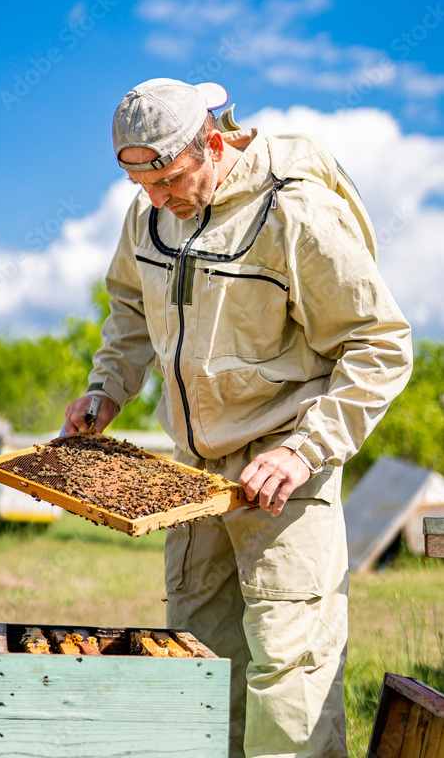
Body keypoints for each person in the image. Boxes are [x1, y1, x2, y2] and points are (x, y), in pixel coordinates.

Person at [64, 77, 412, 758]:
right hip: (192, 482)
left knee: (289, 673)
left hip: (286, 471)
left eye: (168, 177)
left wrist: (304, 449)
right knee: (198, 664)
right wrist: (107, 388)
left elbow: (379, 344)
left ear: (213, 142)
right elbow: (131, 311)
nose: (156, 196)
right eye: (142, 183)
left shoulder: (295, 213)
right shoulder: (148, 218)